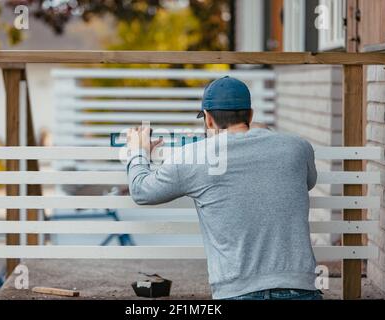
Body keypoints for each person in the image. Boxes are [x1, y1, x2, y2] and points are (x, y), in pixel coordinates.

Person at [125, 76, 322, 300]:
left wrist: (137, 151)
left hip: (237, 291)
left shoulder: (195, 155)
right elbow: (307, 181)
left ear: (208, 120)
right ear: (250, 114)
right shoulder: (297, 147)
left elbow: (141, 191)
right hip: (301, 288)